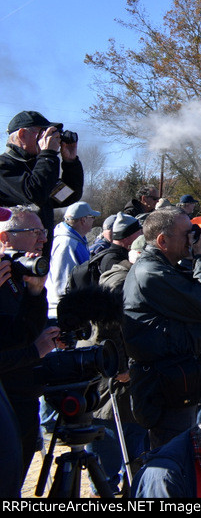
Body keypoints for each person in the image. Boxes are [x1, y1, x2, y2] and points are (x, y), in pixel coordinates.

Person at [122, 207, 201, 449]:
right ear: (162, 241)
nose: (193, 238)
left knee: (182, 457)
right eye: (187, 233)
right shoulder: (151, 273)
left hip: (177, 381)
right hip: (165, 387)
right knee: (172, 458)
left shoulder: (164, 267)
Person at [0, 206, 61, 483]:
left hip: (22, 396)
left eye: (43, 231)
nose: (43, 239)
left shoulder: (13, 273)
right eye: (35, 232)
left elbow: (18, 334)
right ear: (6, 238)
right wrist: (34, 351)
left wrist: (36, 291)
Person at [0, 110, 83, 248]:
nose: (48, 138)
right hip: (10, 259)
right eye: (43, 133)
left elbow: (68, 195)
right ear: (22, 134)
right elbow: (35, 193)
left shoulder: (36, 167)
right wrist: (47, 155)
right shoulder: (4, 167)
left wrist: (70, 162)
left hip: (38, 259)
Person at [45, 200, 100, 316]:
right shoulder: (67, 244)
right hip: (63, 311)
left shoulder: (76, 240)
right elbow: (62, 281)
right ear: (83, 220)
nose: (94, 221)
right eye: (92, 217)